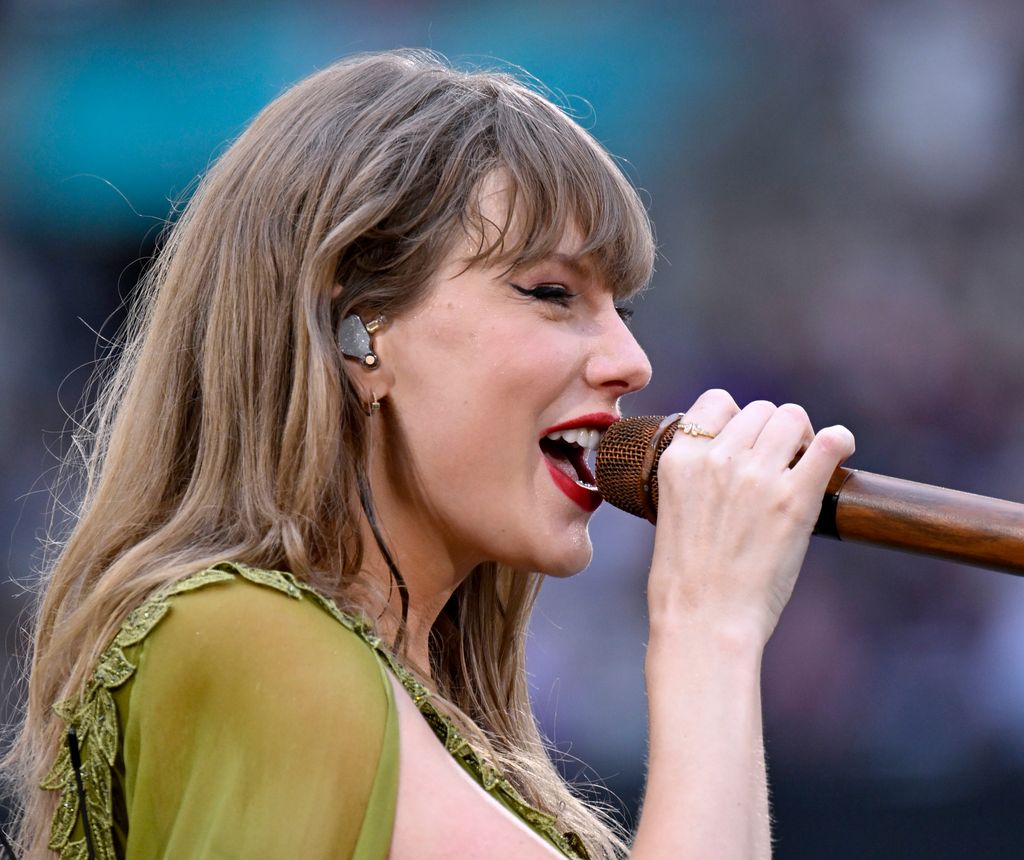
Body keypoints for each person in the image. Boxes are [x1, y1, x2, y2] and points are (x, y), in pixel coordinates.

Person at [3, 50, 855, 859]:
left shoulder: (371, 683)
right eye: (552, 294)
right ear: (355, 331)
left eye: (621, 309)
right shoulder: (243, 636)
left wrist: (721, 634)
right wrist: (709, 624)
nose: (630, 362)